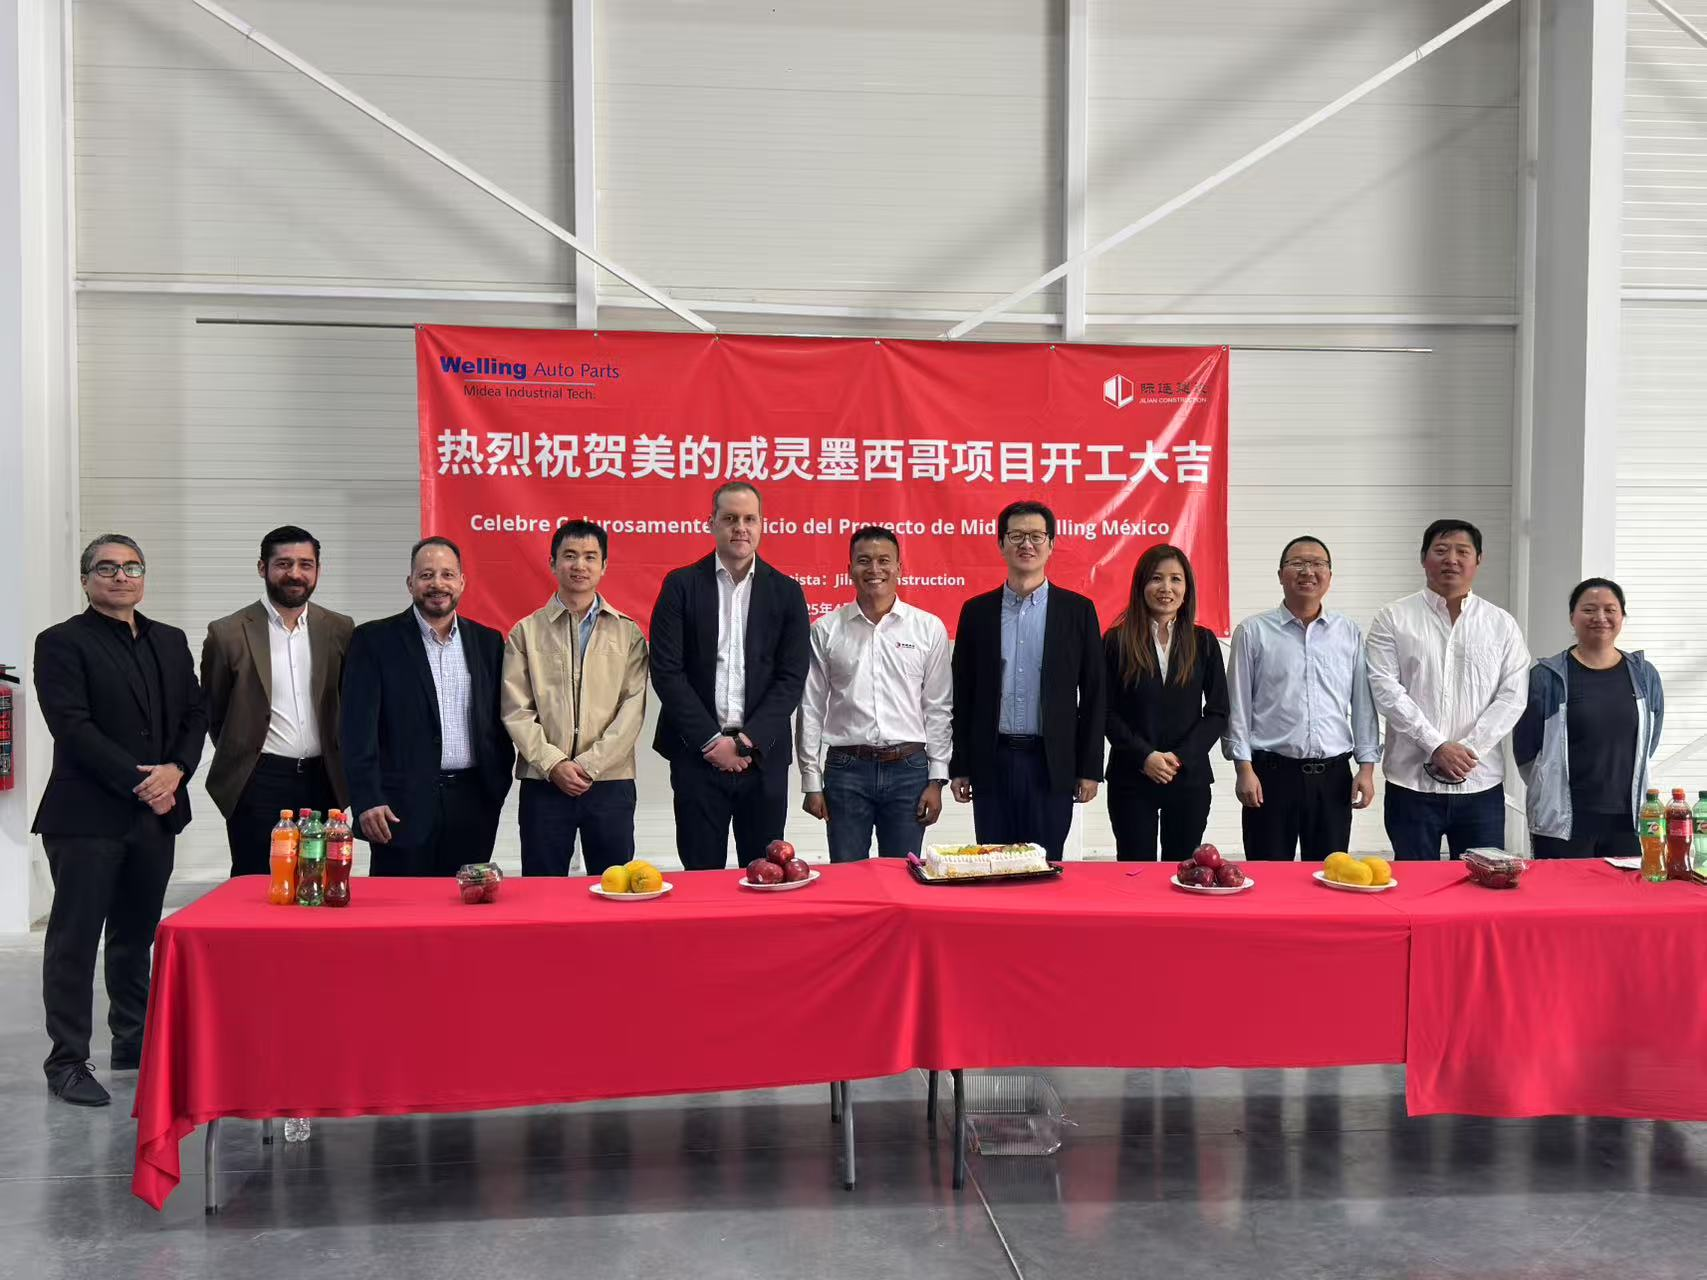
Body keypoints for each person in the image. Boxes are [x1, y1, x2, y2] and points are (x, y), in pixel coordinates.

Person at [32, 535, 207, 1106]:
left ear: (143, 577)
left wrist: (177, 771)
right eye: (106, 568)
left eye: (132, 567)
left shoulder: (169, 640)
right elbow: (71, 726)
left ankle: (133, 1043)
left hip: (156, 815)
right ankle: (67, 1062)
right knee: (75, 940)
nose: (121, 576)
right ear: (85, 580)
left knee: (135, 936)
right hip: (86, 816)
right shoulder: (61, 642)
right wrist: (143, 783)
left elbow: (195, 714)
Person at [650, 483, 810, 870]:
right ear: (712, 524)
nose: (740, 527)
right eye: (730, 518)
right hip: (696, 757)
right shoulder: (680, 585)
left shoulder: (787, 592)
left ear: (762, 525)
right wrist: (712, 741)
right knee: (701, 875)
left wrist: (745, 742)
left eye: (749, 519)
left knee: (765, 874)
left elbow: (791, 678)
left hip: (763, 759)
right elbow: (667, 671)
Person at [340, 537, 514, 876]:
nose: (437, 584)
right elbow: (355, 730)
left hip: (473, 805)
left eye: (447, 575)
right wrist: (367, 798)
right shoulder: (374, 641)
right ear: (410, 583)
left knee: (465, 901)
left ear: (462, 582)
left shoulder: (488, 642)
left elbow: (498, 721)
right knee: (399, 905)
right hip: (398, 808)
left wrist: (495, 787)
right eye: (426, 575)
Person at [1365, 519, 1529, 860]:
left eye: (1462, 551)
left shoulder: (1501, 624)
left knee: (1481, 881)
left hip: (1480, 784)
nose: (1451, 559)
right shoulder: (1393, 618)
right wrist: (1436, 745)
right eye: (1440, 550)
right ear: (1423, 558)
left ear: (1478, 560)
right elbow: (1385, 689)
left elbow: (1513, 696)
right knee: (1415, 884)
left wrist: (1468, 751)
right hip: (1411, 784)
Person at [949, 501, 1104, 861]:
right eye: (1016, 535)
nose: (1027, 544)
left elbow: (1095, 694)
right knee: (994, 863)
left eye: (1036, 536)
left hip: (1051, 763)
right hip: (993, 761)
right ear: (1001, 543)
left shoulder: (1077, 611)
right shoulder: (977, 612)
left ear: (1051, 544)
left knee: (1045, 863)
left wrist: (1089, 769)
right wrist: (961, 765)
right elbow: (962, 696)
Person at [200, 526, 353, 876]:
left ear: (318, 570)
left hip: (324, 778)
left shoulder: (340, 628)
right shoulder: (227, 632)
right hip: (258, 779)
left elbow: (347, 702)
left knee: (320, 878)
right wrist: (246, 751)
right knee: (256, 881)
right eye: (283, 564)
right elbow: (215, 711)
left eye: (305, 564)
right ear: (262, 568)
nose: (295, 573)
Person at [502, 520, 649, 878]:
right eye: (569, 556)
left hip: (610, 781)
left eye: (589, 557)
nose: (579, 565)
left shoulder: (628, 632)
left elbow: (633, 707)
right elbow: (516, 710)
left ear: (604, 565)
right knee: (542, 889)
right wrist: (553, 764)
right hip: (544, 782)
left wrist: (590, 765)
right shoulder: (525, 632)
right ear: (552, 563)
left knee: (613, 886)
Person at [796, 526, 953, 862]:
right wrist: (811, 780)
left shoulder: (928, 628)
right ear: (849, 569)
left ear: (899, 568)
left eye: (884, 560)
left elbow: (938, 707)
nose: (874, 569)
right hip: (846, 770)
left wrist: (937, 778)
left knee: (904, 874)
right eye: (864, 560)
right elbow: (811, 707)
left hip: (909, 770)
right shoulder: (825, 630)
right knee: (847, 874)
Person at [1223, 537, 1380, 861]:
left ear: (1329, 576)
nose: (1308, 571)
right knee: (1267, 872)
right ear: (1280, 574)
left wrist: (1366, 769)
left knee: (1329, 873)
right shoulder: (1253, 632)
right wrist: (1243, 768)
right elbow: (1237, 706)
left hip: (1333, 778)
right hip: (1270, 776)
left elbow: (1363, 705)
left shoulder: (1348, 632)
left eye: (1317, 563)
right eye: (1297, 563)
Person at [1514, 578, 1664, 858]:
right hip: (1563, 823)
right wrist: (1549, 785)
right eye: (1589, 609)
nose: (1600, 617)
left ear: (1622, 616)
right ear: (1572, 617)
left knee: (1627, 888)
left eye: (1610, 609)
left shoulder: (1645, 675)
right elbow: (1525, 751)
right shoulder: (1546, 678)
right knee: (1562, 888)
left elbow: (1649, 741)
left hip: (1628, 821)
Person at [1102, 544, 1228, 861]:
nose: (1166, 588)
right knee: (1135, 869)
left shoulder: (1204, 642)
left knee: (1183, 869)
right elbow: (1104, 711)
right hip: (1132, 777)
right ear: (1141, 585)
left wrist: (1179, 757)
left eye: (1175, 579)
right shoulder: (1116, 641)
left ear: (1187, 588)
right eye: (1156, 578)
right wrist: (1145, 756)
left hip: (1188, 778)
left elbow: (1217, 711)